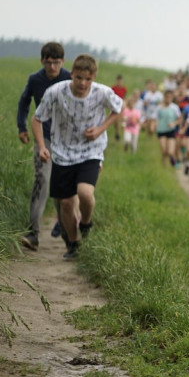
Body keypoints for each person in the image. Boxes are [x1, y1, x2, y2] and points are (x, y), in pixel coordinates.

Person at [31, 54, 123, 260]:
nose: (82, 83)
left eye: (88, 79)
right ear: (71, 74)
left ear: (94, 78)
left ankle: (86, 223)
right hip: (62, 152)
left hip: (91, 150)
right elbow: (37, 119)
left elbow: (119, 108)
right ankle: (73, 244)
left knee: (84, 193)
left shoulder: (102, 93)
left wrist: (100, 129)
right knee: (65, 204)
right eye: (79, 77)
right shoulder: (56, 92)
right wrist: (41, 146)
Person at [16, 42, 72, 251]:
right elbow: (24, 103)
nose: (51, 67)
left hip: (67, 139)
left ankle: (67, 232)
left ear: (62, 62)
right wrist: (22, 127)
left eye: (56, 63)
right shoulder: (35, 79)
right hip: (44, 137)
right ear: (42, 61)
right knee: (42, 179)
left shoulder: (70, 78)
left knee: (63, 185)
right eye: (48, 63)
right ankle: (33, 233)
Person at [155, 90, 182, 167]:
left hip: (171, 131)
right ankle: (164, 166)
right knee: (164, 150)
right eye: (167, 97)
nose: (168, 99)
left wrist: (174, 123)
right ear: (164, 97)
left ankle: (173, 161)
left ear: (172, 98)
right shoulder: (159, 107)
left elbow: (180, 119)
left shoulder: (175, 107)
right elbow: (156, 118)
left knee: (170, 151)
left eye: (170, 97)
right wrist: (155, 125)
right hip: (161, 130)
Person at [111, 74, 127, 141]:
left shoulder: (124, 89)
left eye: (121, 81)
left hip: (120, 106)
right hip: (114, 105)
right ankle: (117, 131)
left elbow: (124, 97)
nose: (119, 82)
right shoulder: (113, 88)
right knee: (115, 121)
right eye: (118, 81)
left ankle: (117, 134)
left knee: (118, 120)